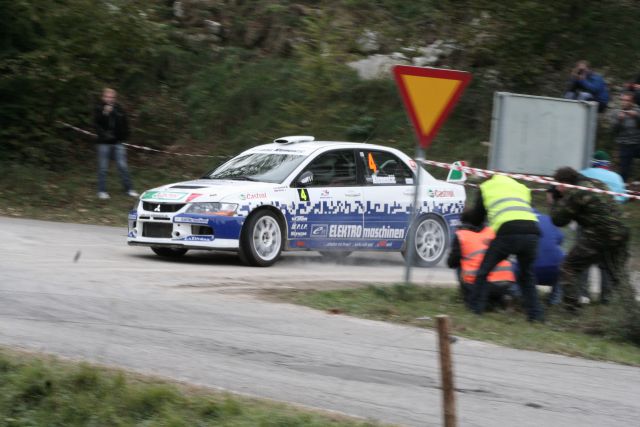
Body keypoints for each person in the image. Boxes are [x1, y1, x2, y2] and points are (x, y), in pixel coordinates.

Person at [548, 167, 629, 311]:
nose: (557, 189)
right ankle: (629, 312)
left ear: (563, 183)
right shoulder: (595, 183)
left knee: (569, 267)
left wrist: (554, 200)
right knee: (618, 275)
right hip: (621, 231)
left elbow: (558, 220)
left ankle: (571, 310)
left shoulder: (575, 192)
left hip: (600, 233)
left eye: (557, 186)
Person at [466, 174, 544, 322]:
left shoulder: (486, 187)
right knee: (527, 275)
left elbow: (477, 219)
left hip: (508, 232)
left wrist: (473, 226)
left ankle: (475, 308)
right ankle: (536, 316)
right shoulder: (521, 187)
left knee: (484, 271)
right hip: (532, 232)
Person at [579, 151, 627, 303]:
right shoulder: (616, 177)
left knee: (583, 259)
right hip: (611, 224)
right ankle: (606, 298)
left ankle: (583, 295)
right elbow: (623, 199)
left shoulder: (583, 174)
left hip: (587, 222)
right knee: (606, 261)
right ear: (607, 165)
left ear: (593, 162)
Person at [447, 209, 517, 311]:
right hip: (505, 282)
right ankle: (501, 299)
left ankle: (471, 299)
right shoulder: (492, 231)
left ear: (463, 222)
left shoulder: (462, 235)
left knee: (459, 262)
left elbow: (451, 263)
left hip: (480, 284)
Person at [94, 87, 138, 199]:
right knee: (103, 167)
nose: (109, 99)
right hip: (104, 143)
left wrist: (124, 137)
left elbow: (125, 123)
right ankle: (102, 191)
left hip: (118, 142)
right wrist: (105, 113)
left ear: (114, 98)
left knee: (122, 166)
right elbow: (96, 124)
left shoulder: (119, 108)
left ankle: (129, 189)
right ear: (103, 97)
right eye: (107, 97)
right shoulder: (98, 107)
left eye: (112, 97)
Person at [609, 92, 640, 183]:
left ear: (632, 102)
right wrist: (619, 120)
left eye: (627, 100)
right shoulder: (616, 113)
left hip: (638, 143)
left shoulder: (638, 111)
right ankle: (623, 192)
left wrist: (637, 117)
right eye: (622, 100)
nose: (624, 102)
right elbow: (613, 130)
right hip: (625, 144)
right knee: (624, 172)